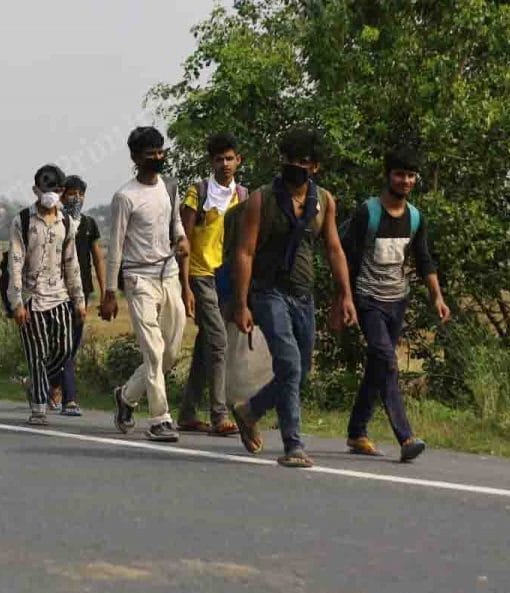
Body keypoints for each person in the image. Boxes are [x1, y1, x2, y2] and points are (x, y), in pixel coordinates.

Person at [230, 128, 358, 468]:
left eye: (302, 162)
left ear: (314, 166)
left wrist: (344, 295)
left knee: (299, 372)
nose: (294, 166)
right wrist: (242, 304)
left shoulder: (324, 202)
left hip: (304, 295)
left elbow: (333, 248)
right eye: (289, 160)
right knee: (288, 363)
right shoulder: (262, 199)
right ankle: (293, 445)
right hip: (268, 292)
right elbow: (244, 252)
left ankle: (250, 410)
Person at [343, 146, 450, 462]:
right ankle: (406, 437)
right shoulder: (368, 212)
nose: (405, 181)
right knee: (387, 359)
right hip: (368, 298)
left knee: (378, 365)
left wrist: (437, 297)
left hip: (397, 300)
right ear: (387, 175)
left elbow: (423, 259)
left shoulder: (416, 217)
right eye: (399, 174)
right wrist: (344, 299)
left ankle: (356, 431)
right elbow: (345, 259)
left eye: (410, 175)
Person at [101, 127, 190, 443]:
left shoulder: (169, 186)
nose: (157, 157)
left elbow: (175, 223)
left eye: (159, 151)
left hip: (169, 275)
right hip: (138, 279)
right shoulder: (125, 197)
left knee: (170, 352)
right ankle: (160, 419)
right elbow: (116, 247)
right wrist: (109, 293)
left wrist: (181, 239)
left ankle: (126, 396)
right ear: (135, 158)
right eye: (149, 153)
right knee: (153, 351)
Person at [7, 165, 87, 427]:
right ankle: (39, 407)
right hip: (31, 298)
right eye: (47, 190)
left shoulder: (67, 222)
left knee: (64, 350)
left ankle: (35, 382)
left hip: (60, 296)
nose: (52, 194)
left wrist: (79, 300)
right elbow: (16, 262)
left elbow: (71, 262)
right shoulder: (23, 220)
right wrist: (17, 302)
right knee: (37, 353)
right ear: (36, 190)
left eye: (57, 190)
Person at [177, 133, 246, 436]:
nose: (225, 164)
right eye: (219, 159)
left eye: (229, 158)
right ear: (211, 162)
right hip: (200, 273)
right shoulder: (198, 193)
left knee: (207, 344)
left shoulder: (243, 196)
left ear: (238, 160)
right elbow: (183, 241)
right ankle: (219, 414)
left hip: (226, 277)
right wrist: (184, 285)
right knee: (219, 341)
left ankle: (188, 412)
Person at [58, 175, 105, 416]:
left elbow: (97, 257)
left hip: (82, 292)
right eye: (72, 193)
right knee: (62, 344)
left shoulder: (88, 224)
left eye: (81, 194)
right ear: (62, 195)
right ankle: (69, 398)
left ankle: (45, 384)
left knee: (72, 344)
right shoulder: (55, 222)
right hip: (56, 292)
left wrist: (106, 288)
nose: (76, 198)